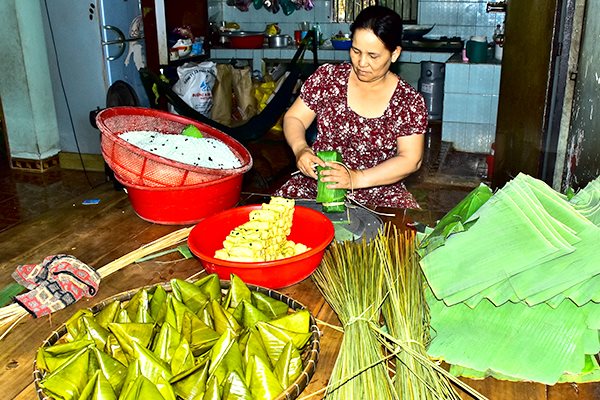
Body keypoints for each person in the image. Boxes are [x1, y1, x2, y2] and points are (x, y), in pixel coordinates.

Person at [273, 5, 427, 209]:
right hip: (319, 184)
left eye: (373, 56)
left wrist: (356, 179)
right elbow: (295, 118)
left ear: (395, 53)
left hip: (378, 190)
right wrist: (301, 149)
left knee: (402, 235)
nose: (362, 63)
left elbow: (410, 159)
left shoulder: (408, 101)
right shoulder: (328, 79)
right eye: (356, 51)